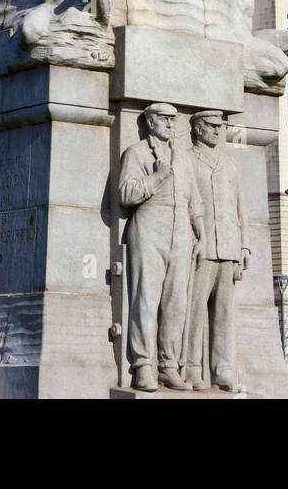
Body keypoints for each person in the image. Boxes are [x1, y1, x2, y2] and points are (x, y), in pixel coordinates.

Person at [118, 103, 204, 392]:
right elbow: (125, 194)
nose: (169, 123)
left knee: (177, 302)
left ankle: (168, 365)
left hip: (181, 232)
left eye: (172, 119)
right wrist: (156, 177)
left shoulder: (184, 158)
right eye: (163, 119)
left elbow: (194, 199)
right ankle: (143, 364)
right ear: (150, 122)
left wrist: (199, 230)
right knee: (146, 299)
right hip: (149, 229)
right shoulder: (137, 152)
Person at [184, 110, 250, 392]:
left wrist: (244, 245)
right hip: (202, 248)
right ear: (198, 128)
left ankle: (223, 369)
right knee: (194, 310)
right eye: (211, 126)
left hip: (229, 248)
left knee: (224, 314)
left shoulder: (231, 164)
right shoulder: (188, 158)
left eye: (220, 127)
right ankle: (191, 368)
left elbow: (241, 210)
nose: (217, 131)